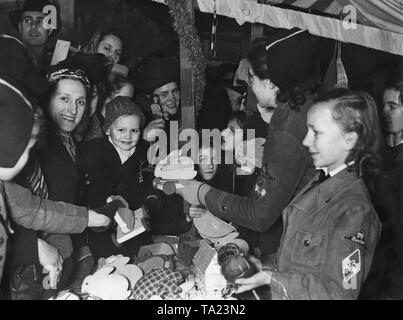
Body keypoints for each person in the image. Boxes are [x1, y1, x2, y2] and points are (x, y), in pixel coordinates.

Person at [174, 28, 318, 257]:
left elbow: (259, 215)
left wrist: (201, 193)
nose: (249, 85)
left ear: (271, 82)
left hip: (297, 243)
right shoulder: (305, 108)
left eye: (251, 78)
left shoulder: (287, 129)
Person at [234, 88, 382, 299]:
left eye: (316, 132)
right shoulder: (320, 181)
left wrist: (271, 279)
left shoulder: (354, 209)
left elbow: (339, 293)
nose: (305, 141)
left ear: (349, 140)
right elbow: (304, 259)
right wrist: (266, 266)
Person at [0, 76, 116, 295]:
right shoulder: (47, 147)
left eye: (81, 102)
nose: (73, 109)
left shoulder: (66, 141)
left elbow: (38, 209)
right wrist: (34, 247)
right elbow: (33, 210)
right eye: (64, 98)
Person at [81, 96, 152, 260]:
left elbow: (147, 185)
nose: (128, 136)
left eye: (134, 131)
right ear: (107, 129)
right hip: (102, 225)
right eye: (121, 130)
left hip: (135, 226)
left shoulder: (145, 153)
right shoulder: (92, 152)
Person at [360, 78, 403, 299]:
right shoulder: (376, 149)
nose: (384, 112)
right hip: (370, 250)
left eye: (393, 107)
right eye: (383, 105)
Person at [133, 57, 181, 143]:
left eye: (175, 91)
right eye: (164, 94)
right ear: (150, 98)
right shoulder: (139, 124)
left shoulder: (183, 118)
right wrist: (144, 138)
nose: (172, 98)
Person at [8, 0, 61, 72]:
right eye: (28, 20)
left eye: (40, 21)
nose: (33, 26)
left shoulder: (61, 62)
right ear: (20, 27)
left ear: (50, 29)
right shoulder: (6, 60)